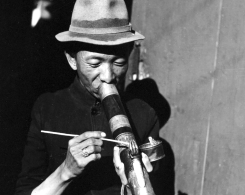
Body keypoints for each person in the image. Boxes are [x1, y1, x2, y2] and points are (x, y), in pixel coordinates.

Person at [15, 0, 159, 195]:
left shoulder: (144, 114)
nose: (108, 76)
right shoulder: (47, 109)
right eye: (94, 63)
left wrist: (137, 182)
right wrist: (66, 172)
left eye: (119, 62)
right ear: (72, 59)